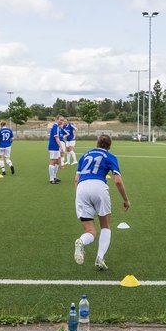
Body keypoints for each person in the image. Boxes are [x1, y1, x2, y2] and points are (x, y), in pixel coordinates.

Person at [72, 133, 130, 271]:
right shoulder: (110, 156)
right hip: (99, 187)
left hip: (81, 188)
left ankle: (82, 241)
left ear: (96, 143)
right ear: (109, 146)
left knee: (90, 231)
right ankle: (100, 258)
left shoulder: (85, 155)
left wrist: (79, 197)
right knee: (105, 226)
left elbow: (76, 179)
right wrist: (126, 200)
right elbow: (117, 180)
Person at [47, 115, 65, 183]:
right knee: (53, 161)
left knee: (58, 161)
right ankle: (51, 179)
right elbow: (56, 137)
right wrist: (61, 147)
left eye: (63, 120)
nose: (62, 121)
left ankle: (54, 177)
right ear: (57, 119)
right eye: (60, 120)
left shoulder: (58, 127)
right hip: (53, 146)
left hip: (56, 146)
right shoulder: (55, 126)